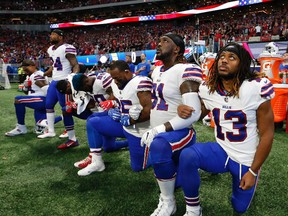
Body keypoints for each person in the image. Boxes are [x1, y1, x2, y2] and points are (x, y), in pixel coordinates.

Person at [177, 42, 275, 215]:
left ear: (242, 64)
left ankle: (252, 175)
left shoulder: (255, 89)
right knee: (188, 155)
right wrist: (182, 108)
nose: (224, 61)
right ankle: (193, 209)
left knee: (239, 208)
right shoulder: (209, 89)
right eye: (221, 57)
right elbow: (198, 113)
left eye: (232, 58)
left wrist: (252, 171)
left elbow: (267, 135)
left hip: (245, 159)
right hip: (221, 150)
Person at [140, 33, 203, 216]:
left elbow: (194, 113)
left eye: (165, 41)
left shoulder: (186, 69)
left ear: (177, 49)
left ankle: (169, 202)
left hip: (181, 132)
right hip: (161, 133)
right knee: (164, 166)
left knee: (159, 146)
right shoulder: (157, 71)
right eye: (158, 41)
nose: (159, 44)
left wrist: (160, 129)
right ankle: (174, 185)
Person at [74, 60, 152, 176]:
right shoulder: (115, 84)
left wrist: (130, 120)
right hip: (124, 126)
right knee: (93, 122)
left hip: (140, 130)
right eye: (113, 78)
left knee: (138, 167)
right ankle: (97, 161)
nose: (115, 81)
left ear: (126, 72)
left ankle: (155, 150)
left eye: (117, 78)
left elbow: (150, 110)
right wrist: (112, 108)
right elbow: (114, 99)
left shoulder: (141, 82)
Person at [37, 29, 80, 150]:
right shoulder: (51, 49)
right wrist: (45, 74)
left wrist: (72, 76)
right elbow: (54, 65)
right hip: (54, 81)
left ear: (61, 37)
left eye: (54, 34)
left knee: (66, 109)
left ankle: (72, 137)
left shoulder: (67, 47)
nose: (51, 36)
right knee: (49, 105)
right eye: (50, 34)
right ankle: (51, 130)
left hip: (63, 82)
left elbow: (75, 64)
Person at [5, 59, 62, 136]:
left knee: (18, 99)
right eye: (23, 68)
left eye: (26, 68)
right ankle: (63, 116)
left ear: (33, 66)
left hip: (41, 100)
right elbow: (29, 90)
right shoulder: (30, 76)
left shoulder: (36, 74)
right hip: (38, 102)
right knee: (41, 124)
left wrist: (50, 102)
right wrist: (26, 88)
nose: (25, 70)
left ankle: (21, 127)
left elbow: (46, 88)